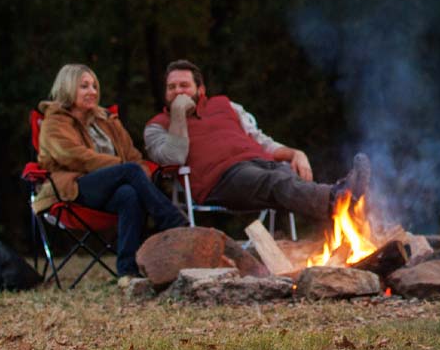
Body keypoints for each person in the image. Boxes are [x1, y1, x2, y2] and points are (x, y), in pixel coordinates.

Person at [142, 59, 366, 220]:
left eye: (184, 86)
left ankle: (343, 210)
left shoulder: (226, 106)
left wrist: (295, 153)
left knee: (285, 176)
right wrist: (178, 114)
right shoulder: (157, 126)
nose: (177, 91)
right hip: (221, 180)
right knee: (276, 182)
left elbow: (261, 140)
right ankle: (339, 199)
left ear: (200, 89)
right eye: (171, 87)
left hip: (260, 162)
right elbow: (174, 157)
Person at [37, 63, 186, 278]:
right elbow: (73, 156)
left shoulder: (107, 120)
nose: (92, 92)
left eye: (94, 86)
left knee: (129, 194)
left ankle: (127, 271)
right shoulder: (54, 122)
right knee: (130, 171)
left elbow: (133, 157)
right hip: (75, 188)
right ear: (67, 88)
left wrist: (137, 171)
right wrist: (122, 167)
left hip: (113, 189)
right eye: (84, 86)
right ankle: (172, 221)